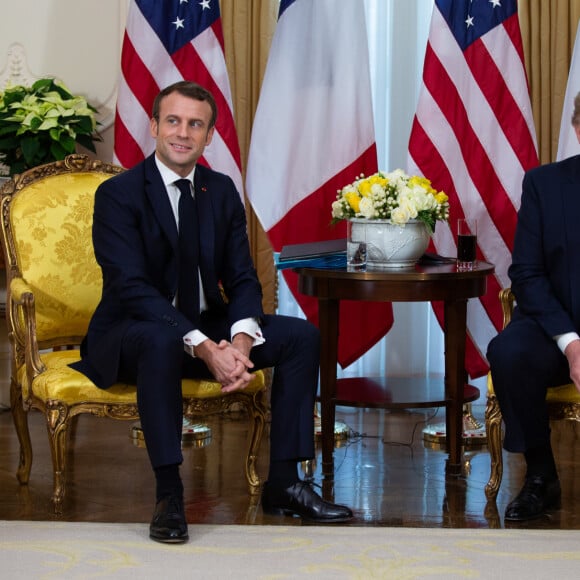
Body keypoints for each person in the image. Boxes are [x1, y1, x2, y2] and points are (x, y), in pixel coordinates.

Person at [71, 81, 353, 543]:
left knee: (301, 337)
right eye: (174, 121)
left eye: (195, 124)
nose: (183, 133)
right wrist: (205, 347)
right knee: (163, 339)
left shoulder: (220, 191)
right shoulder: (119, 195)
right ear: (155, 126)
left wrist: (240, 342)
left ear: (208, 136)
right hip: (133, 333)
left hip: (207, 328)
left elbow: (242, 277)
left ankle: (284, 482)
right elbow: (133, 289)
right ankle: (168, 494)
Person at [487, 91, 580, 522]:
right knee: (508, 352)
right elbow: (525, 273)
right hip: (554, 330)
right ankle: (541, 474)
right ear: (578, 130)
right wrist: (572, 343)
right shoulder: (543, 184)